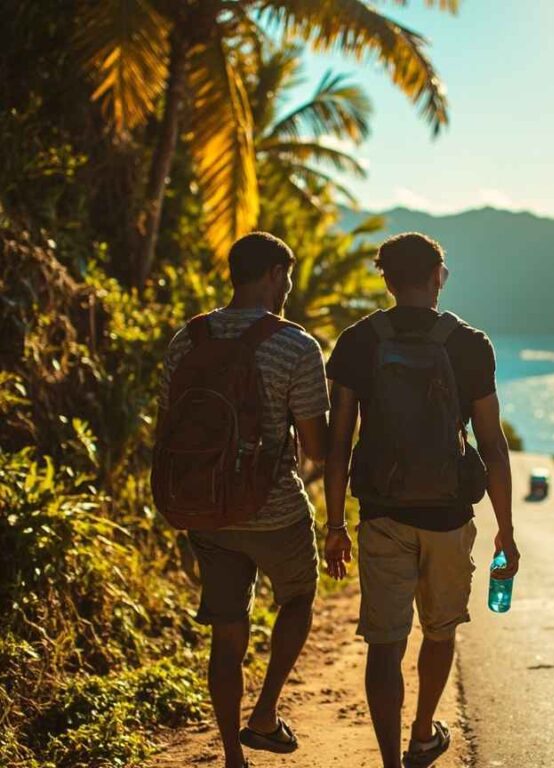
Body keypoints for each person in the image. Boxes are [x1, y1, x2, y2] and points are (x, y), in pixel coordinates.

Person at [323, 232, 520, 768]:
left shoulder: (357, 342)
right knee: (440, 631)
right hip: (450, 516)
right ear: (438, 276)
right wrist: (505, 528)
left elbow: (338, 442)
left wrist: (335, 523)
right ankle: (422, 734)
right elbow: (492, 443)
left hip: (383, 514)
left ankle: (390, 761)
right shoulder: (470, 344)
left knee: (384, 643)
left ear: (385, 279)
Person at [157, 232, 334, 768]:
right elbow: (316, 448)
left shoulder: (185, 340)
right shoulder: (295, 345)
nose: (288, 288)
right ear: (275, 274)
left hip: (204, 507)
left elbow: (168, 428)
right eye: (287, 277)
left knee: (227, 630)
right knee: (299, 598)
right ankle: (265, 711)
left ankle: (233, 756)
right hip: (273, 509)